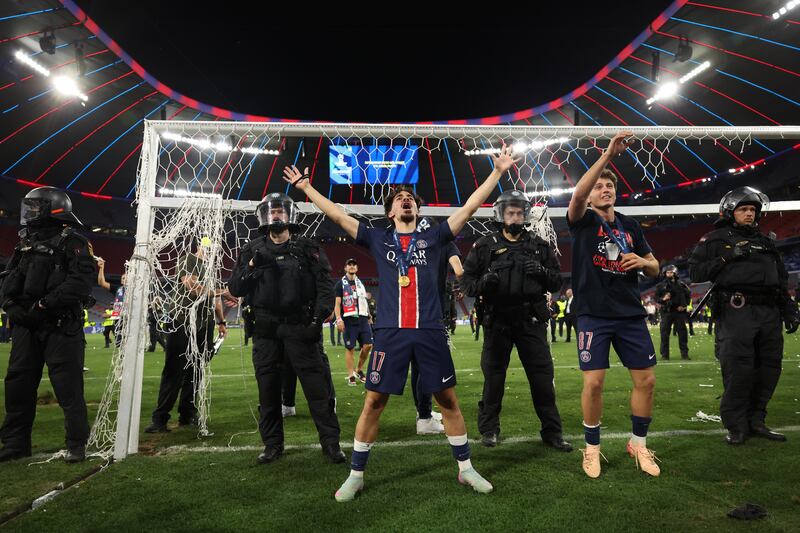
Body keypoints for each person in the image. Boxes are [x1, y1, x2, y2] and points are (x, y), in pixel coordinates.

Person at [283, 146, 518, 501]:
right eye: (399, 198)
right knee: (373, 403)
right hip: (390, 334)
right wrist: (306, 188)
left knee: (448, 402)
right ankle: (356, 475)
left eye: (410, 198)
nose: (405, 201)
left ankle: (466, 469)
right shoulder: (377, 238)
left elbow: (470, 207)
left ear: (418, 209)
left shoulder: (436, 236)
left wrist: (498, 172)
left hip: (430, 331)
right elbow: (337, 215)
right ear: (390, 210)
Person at [567, 132, 661, 478]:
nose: (604, 190)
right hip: (593, 314)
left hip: (630, 314)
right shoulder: (582, 221)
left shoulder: (631, 226)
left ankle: (638, 443)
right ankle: (592, 448)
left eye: (609, 187)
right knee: (593, 383)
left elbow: (656, 266)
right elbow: (577, 194)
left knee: (646, 381)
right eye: (598, 187)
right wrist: (608, 154)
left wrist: (642, 261)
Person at [228, 192, 345, 464]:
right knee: (268, 392)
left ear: (290, 215)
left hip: (301, 329)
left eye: (281, 210)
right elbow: (235, 288)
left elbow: (325, 288)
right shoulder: (251, 250)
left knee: (318, 390)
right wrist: (254, 265)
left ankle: (331, 443)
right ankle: (272, 445)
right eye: (273, 211)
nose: (277, 215)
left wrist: (316, 323)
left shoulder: (308, 248)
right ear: (265, 216)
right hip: (266, 331)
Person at [461, 188, 571, 452]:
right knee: (494, 379)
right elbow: (465, 282)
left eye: (519, 212)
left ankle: (552, 432)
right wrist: (483, 283)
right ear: (501, 214)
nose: (515, 216)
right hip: (497, 320)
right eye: (510, 212)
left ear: (526, 215)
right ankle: (489, 429)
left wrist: (543, 272)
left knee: (542, 379)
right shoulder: (484, 245)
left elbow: (557, 281)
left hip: (530, 319)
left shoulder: (539, 246)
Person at [688, 186, 799, 445]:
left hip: (770, 312)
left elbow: (780, 280)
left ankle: (757, 420)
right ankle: (736, 425)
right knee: (739, 368)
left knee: (769, 367)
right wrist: (727, 257)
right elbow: (695, 274)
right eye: (744, 209)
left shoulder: (767, 242)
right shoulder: (714, 239)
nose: (749, 214)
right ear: (731, 211)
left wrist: (789, 309)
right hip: (736, 310)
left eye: (753, 210)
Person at [0, 186, 96, 463]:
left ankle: (76, 444)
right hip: (26, 328)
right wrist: (11, 306)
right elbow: (10, 278)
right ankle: (15, 444)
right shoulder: (24, 242)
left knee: (68, 390)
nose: (28, 212)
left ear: (53, 208)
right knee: (18, 386)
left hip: (61, 326)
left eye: (34, 207)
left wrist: (44, 305)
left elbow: (78, 283)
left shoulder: (73, 241)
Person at [144, 237, 228, 433]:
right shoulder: (188, 259)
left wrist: (221, 322)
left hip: (204, 324)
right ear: (201, 245)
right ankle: (160, 418)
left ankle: (187, 413)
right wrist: (224, 292)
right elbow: (192, 287)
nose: (212, 250)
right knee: (174, 369)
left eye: (216, 247)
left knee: (196, 370)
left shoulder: (211, 269)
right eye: (209, 246)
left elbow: (214, 299)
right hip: (182, 321)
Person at [334, 258, 373, 386]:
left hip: (362, 318)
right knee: (350, 348)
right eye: (349, 265)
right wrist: (339, 319)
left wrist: (369, 315)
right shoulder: (340, 284)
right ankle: (351, 375)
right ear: (345, 268)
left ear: (357, 268)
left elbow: (363, 300)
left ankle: (359, 370)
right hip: (349, 320)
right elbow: (338, 304)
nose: (352, 266)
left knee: (368, 345)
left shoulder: (360, 283)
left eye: (354, 265)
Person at [655, 265, 691, 360]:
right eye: (667, 272)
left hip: (679, 312)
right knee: (664, 334)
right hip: (666, 312)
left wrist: (684, 306)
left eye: (671, 272)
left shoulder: (682, 285)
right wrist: (663, 298)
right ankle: (664, 355)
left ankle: (684, 354)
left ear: (675, 273)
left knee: (682, 334)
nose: (669, 274)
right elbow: (656, 298)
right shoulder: (661, 285)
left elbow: (688, 296)